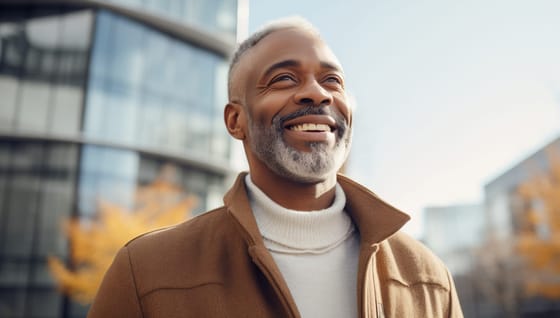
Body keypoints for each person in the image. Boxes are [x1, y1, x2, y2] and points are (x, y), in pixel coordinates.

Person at [88, 17, 464, 318]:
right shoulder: (146, 272)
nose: (318, 93)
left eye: (332, 80)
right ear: (236, 121)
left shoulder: (429, 279)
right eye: (284, 79)